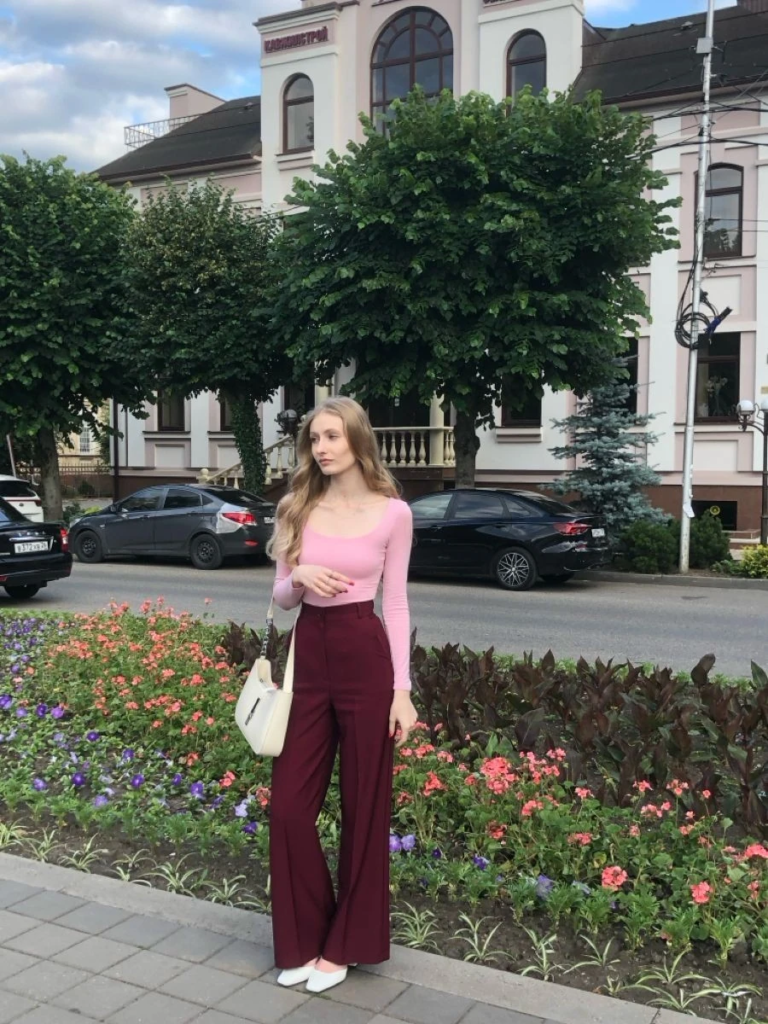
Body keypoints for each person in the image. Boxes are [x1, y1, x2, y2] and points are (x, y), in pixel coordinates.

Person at [266, 395, 418, 995]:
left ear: (357, 439)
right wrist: (297, 577)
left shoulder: (393, 514)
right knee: (289, 809)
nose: (321, 448)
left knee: (364, 806)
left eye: (332, 436)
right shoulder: (298, 506)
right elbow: (279, 598)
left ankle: (343, 946)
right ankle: (303, 938)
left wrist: (401, 692)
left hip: (364, 652)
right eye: (314, 439)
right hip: (311, 651)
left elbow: (398, 603)